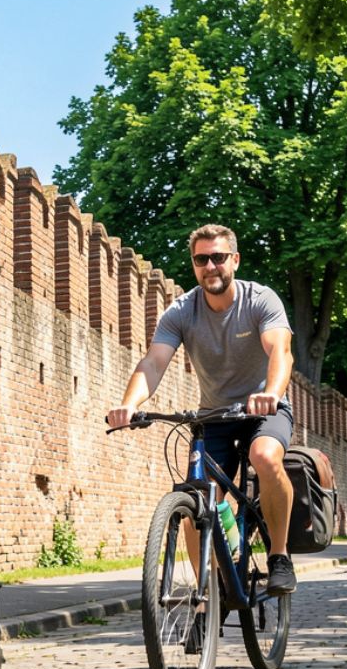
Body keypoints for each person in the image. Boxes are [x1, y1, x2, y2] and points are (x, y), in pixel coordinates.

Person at [107, 223, 298, 598]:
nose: (210, 266)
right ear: (194, 265)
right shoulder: (181, 311)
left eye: (218, 257)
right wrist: (129, 404)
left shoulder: (260, 300)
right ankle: (205, 595)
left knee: (264, 455)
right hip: (216, 415)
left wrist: (272, 393)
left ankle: (279, 555)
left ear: (235, 260)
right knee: (199, 499)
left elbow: (280, 350)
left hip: (264, 408)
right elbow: (154, 363)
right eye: (201, 259)